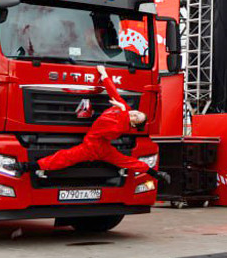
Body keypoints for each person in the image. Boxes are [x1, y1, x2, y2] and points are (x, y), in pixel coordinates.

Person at [20, 65, 171, 182]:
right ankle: (156, 174)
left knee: (62, 158)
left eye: (137, 118)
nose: (135, 114)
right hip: (101, 146)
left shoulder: (121, 125)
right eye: (137, 113)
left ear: (133, 124)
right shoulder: (123, 108)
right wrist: (104, 74)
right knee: (126, 161)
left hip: (92, 148)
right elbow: (113, 92)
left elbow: (109, 131)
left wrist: (123, 110)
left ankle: (27, 167)